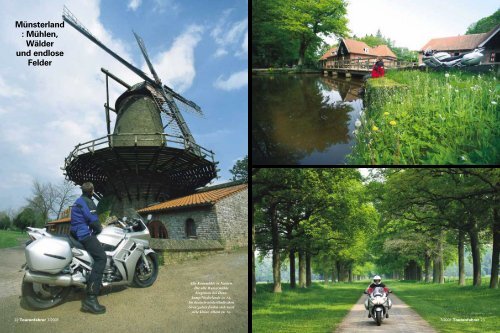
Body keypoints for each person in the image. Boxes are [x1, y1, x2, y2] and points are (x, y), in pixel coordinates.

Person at [70, 182, 106, 314]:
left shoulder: (78, 200)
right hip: (84, 234)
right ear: (92, 191)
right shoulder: (89, 202)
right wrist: (100, 228)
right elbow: (94, 222)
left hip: (75, 232)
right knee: (101, 258)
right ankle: (91, 298)